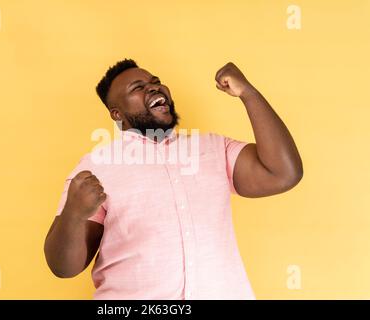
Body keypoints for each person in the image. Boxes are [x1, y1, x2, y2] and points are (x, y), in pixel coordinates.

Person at [44, 59, 303, 299]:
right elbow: (63, 268)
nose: (154, 89)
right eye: (139, 87)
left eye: (156, 82)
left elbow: (282, 173)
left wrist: (249, 93)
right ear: (117, 114)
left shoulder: (214, 148)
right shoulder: (96, 166)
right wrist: (73, 214)